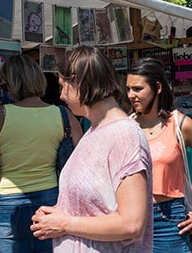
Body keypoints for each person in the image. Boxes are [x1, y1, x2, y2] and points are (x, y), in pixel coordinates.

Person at [30, 46, 152, 252]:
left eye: (62, 86)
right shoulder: (95, 131)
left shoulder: (124, 135)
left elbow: (132, 224)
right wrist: (57, 215)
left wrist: (64, 224)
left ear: (78, 82)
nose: (60, 95)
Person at [126, 58, 192, 252]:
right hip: (130, 219)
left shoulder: (180, 125)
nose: (131, 95)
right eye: (128, 89)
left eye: (137, 89)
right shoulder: (126, 126)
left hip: (168, 220)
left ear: (157, 88)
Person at [0, 55, 83, 253]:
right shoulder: (63, 114)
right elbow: (82, 157)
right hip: (51, 198)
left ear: (9, 82)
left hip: (8, 199)